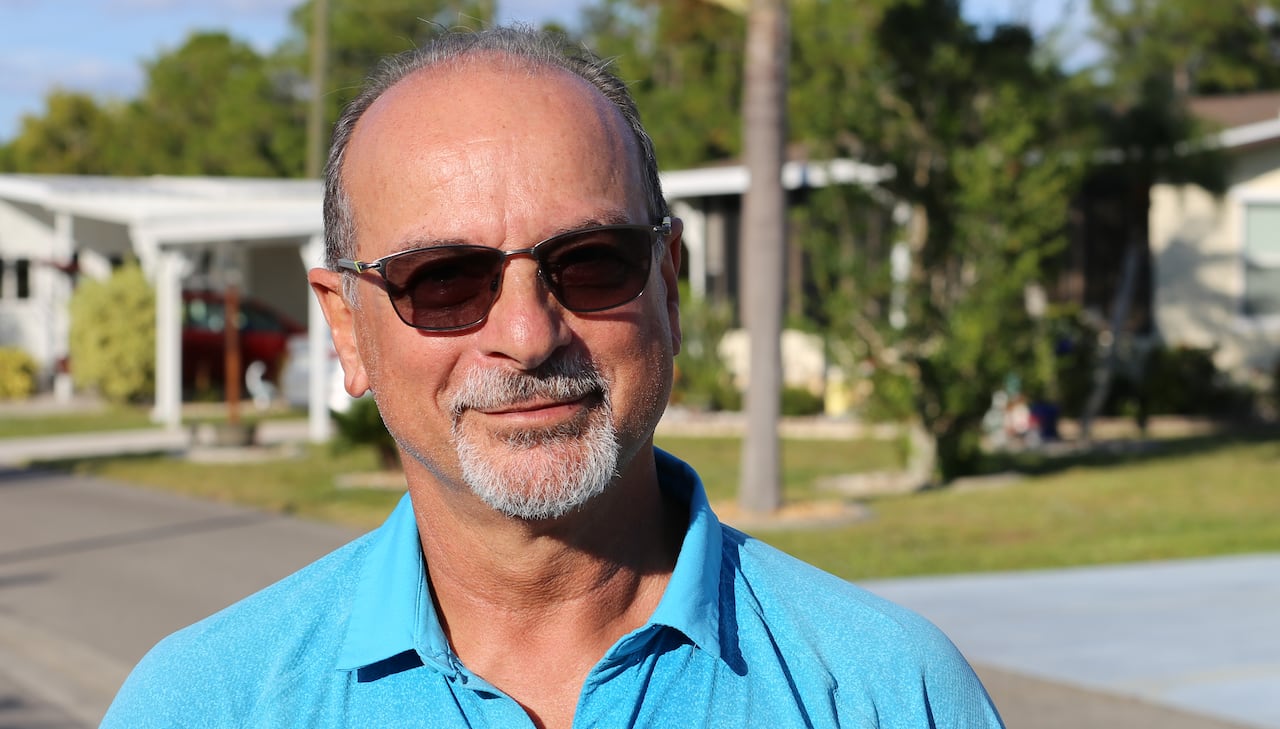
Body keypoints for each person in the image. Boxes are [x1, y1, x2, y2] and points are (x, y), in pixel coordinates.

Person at [102, 26, 1004, 729]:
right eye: (444, 278)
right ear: (346, 326)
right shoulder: (204, 703)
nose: (528, 335)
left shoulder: (884, 691)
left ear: (669, 286)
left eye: (592, 260)